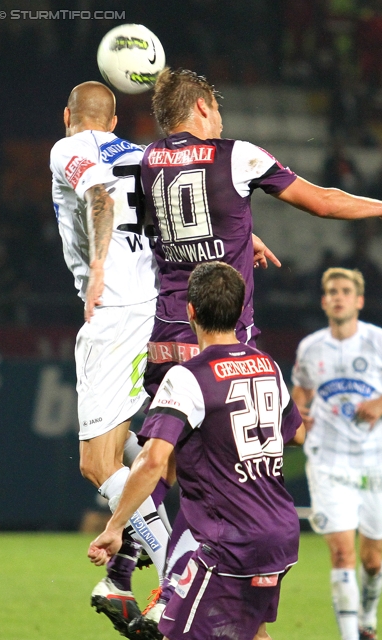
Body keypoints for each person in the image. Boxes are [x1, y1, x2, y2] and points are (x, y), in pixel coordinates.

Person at [129, 66, 382, 634]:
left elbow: (173, 230)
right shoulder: (234, 154)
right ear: (198, 109)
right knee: (241, 485)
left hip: (166, 337)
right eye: (215, 108)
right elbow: (320, 201)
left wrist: (244, 235)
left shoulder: (146, 164)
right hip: (223, 347)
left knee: (173, 466)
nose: (221, 117)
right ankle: (177, 595)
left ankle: (147, 574)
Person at [88, 261, 305, 640]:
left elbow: (153, 460)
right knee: (252, 633)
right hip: (281, 533)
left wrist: (116, 525)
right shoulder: (267, 365)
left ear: (190, 311)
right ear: (240, 311)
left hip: (230, 540)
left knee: (170, 634)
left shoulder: (188, 376)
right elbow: (296, 434)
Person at [50, 81, 172, 636]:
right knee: (143, 450)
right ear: (117, 118)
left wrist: (98, 265)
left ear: (68, 117)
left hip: (115, 312)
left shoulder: (70, 147)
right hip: (158, 311)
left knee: (97, 464)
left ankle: (181, 570)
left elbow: (99, 196)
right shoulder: (144, 155)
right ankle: (132, 570)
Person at [291, 267, 382, 640]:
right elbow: (301, 393)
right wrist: (299, 412)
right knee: (342, 555)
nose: (338, 296)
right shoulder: (310, 348)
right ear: (325, 301)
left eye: (345, 291)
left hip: (377, 462)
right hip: (328, 462)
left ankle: (367, 615)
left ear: (358, 301)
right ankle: (349, 636)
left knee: (372, 561)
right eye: (332, 291)